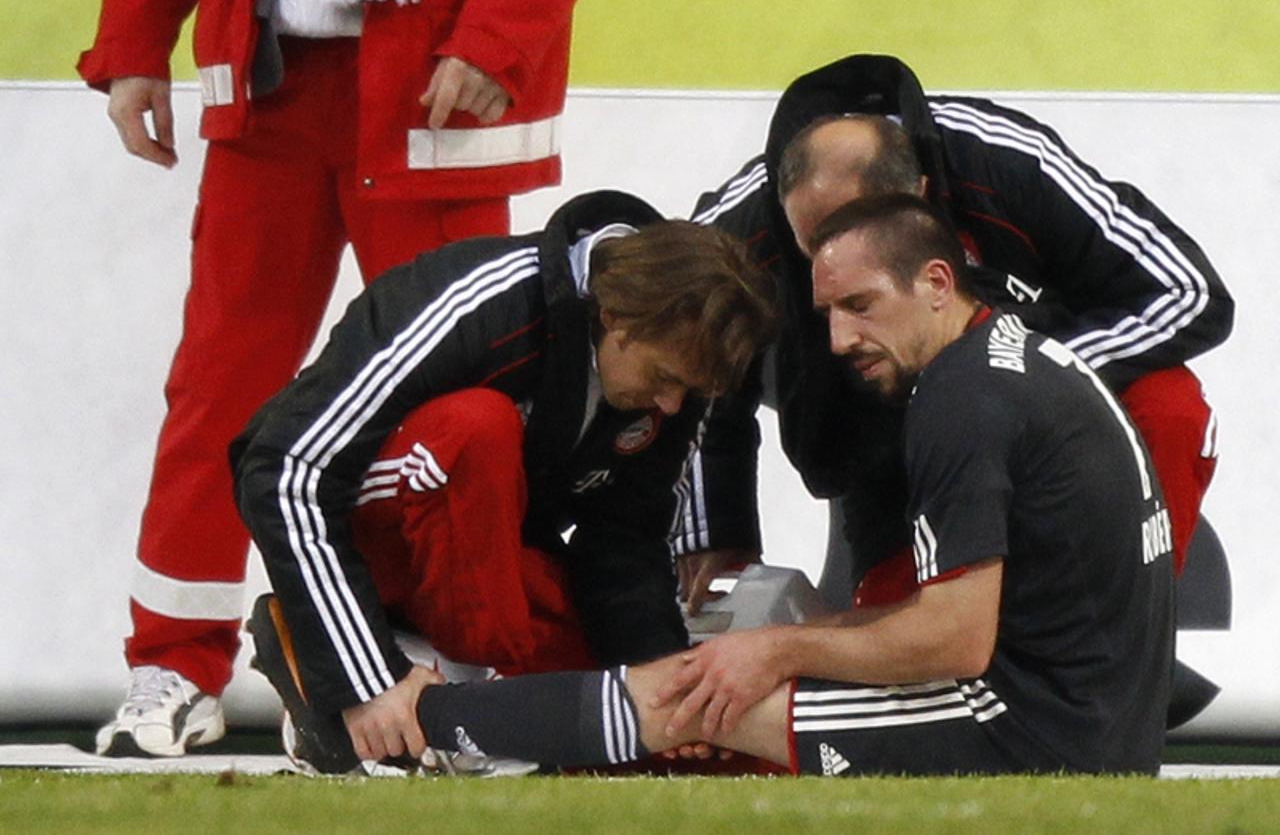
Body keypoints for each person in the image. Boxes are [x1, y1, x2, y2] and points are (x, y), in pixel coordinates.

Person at [405, 194, 1177, 776]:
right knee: (728, 674)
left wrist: (774, 650)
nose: (840, 339)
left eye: (860, 305)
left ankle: (422, 719)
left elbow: (956, 637)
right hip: (1102, 719)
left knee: (692, 699)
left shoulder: (961, 398)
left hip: (1030, 727)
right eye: (828, 314)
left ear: (937, 281)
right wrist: (786, 648)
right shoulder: (1022, 353)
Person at [78, 0, 586, 756]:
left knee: (456, 412)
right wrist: (133, 42)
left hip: (434, 81)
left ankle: (448, 658)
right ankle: (174, 660)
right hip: (273, 81)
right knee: (218, 391)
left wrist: (498, 37)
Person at [234, 190, 778, 773]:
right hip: (368, 536)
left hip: (491, 561)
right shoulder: (485, 302)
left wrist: (661, 687)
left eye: (690, 392)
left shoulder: (677, 379)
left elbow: (625, 541)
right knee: (478, 431)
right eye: (664, 378)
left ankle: (439, 693)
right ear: (614, 314)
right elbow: (287, 469)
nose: (671, 404)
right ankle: (402, 681)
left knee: (635, 730)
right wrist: (366, 679)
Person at [677, 54, 1231, 613]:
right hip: (889, 459)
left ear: (919, 200)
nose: (831, 264)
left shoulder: (1003, 161)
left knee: (1171, 404)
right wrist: (717, 533)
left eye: (860, 289)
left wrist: (1023, 374)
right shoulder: (742, 223)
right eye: (812, 249)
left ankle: (1134, 615)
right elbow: (683, 359)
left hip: (1048, 421)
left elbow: (1190, 292)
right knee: (906, 653)